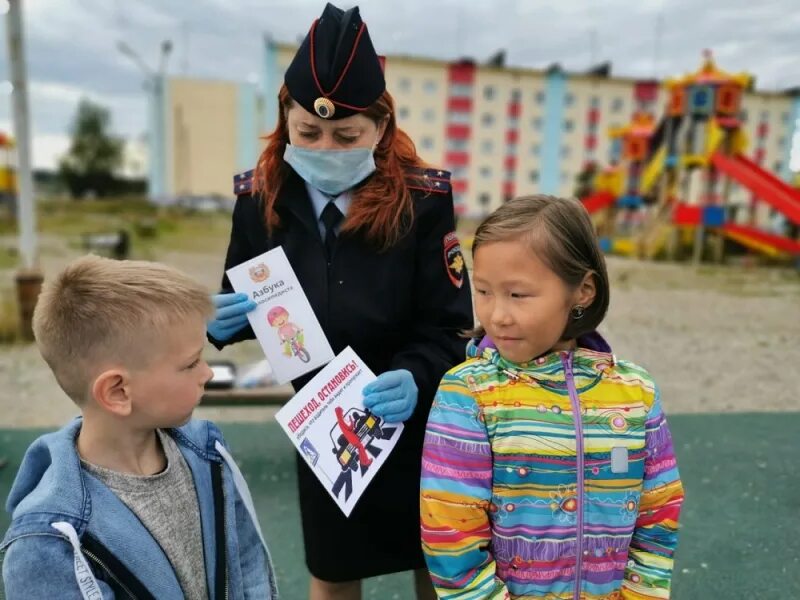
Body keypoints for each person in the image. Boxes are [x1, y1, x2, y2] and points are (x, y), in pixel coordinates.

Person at [206, 3, 473, 598]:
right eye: (309, 132)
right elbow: (242, 298)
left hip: (416, 421)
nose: (326, 147)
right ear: (285, 119)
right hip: (324, 426)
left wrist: (414, 375)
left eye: (347, 135)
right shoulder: (259, 199)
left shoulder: (423, 202)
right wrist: (220, 322)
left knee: (435, 562)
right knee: (332, 568)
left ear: (380, 127)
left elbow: (452, 329)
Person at [420, 195, 684, 599]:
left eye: (518, 295)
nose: (497, 315)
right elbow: (451, 535)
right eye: (485, 291)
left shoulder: (636, 393)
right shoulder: (467, 393)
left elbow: (658, 513)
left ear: (582, 291)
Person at [1, 256, 277, 599]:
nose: (207, 373)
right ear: (118, 392)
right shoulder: (47, 543)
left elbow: (246, 563)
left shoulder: (207, 452)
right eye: (191, 363)